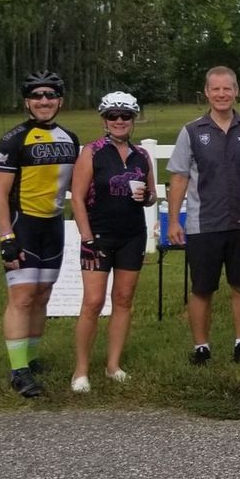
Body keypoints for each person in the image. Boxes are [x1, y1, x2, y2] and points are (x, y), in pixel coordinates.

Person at [0, 71, 80, 398]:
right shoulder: (12, 140)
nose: (44, 101)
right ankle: (18, 371)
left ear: (60, 100)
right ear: (27, 102)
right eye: (37, 96)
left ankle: (30, 357)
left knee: (43, 293)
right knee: (22, 296)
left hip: (53, 225)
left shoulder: (70, 138)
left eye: (50, 95)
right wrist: (6, 236)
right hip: (23, 225)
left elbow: (76, 186)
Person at [167, 66, 240, 365]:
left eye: (227, 88)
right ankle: (201, 347)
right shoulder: (192, 131)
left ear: (236, 91)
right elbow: (179, 178)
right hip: (203, 224)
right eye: (216, 89)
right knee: (201, 289)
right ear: (207, 93)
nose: (222, 94)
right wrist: (173, 221)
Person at [68, 91, 157, 393]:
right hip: (98, 235)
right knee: (93, 302)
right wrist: (86, 236)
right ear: (104, 120)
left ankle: (113, 366)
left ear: (133, 119)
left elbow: (151, 195)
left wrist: (146, 196)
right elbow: (77, 198)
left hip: (132, 235)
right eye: (113, 116)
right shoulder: (91, 152)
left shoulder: (141, 155)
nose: (119, 121)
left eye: (125, 116)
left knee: (123, 300)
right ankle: (81, 371)